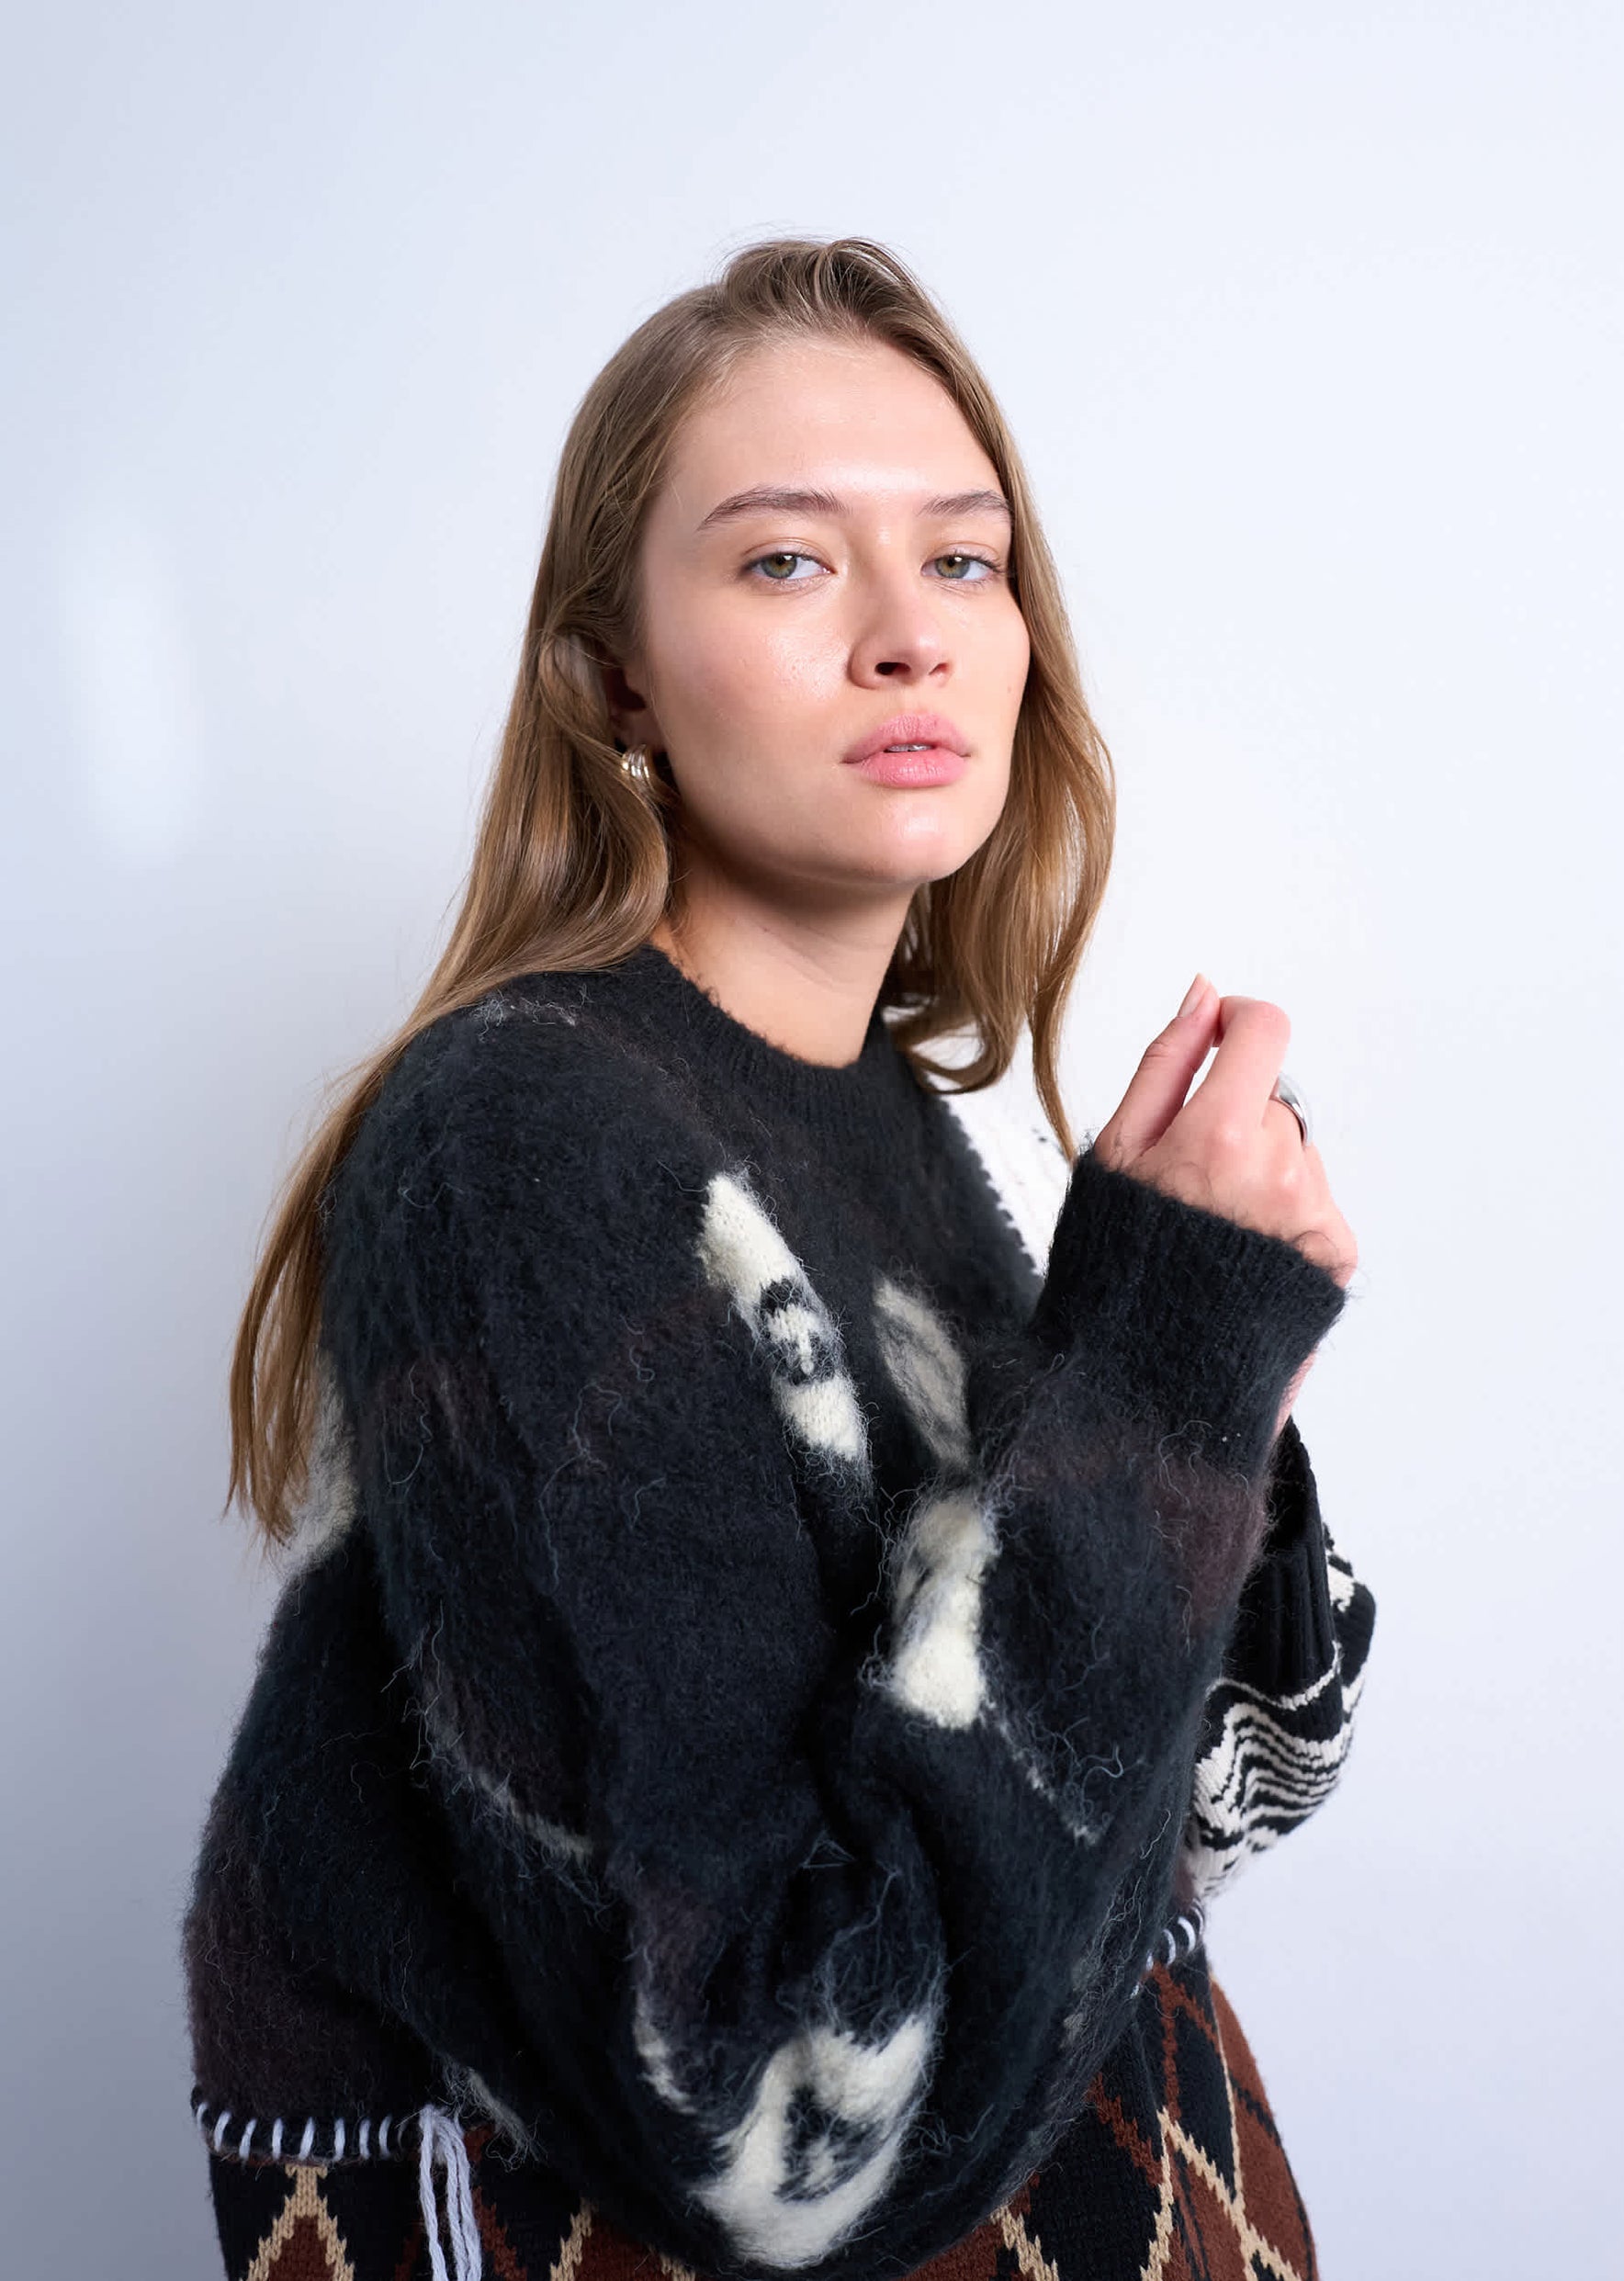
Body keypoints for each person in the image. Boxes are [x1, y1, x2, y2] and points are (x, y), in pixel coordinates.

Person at [184, 236, 1375, 2281]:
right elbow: (785, 2122)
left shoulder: (882, 1117)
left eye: (966, 560)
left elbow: (1186, 1811)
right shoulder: (530, 1143)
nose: (910, 637)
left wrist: (1206, 1390)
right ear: (611, 676)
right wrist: (1152, 1381)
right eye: (787, 561)